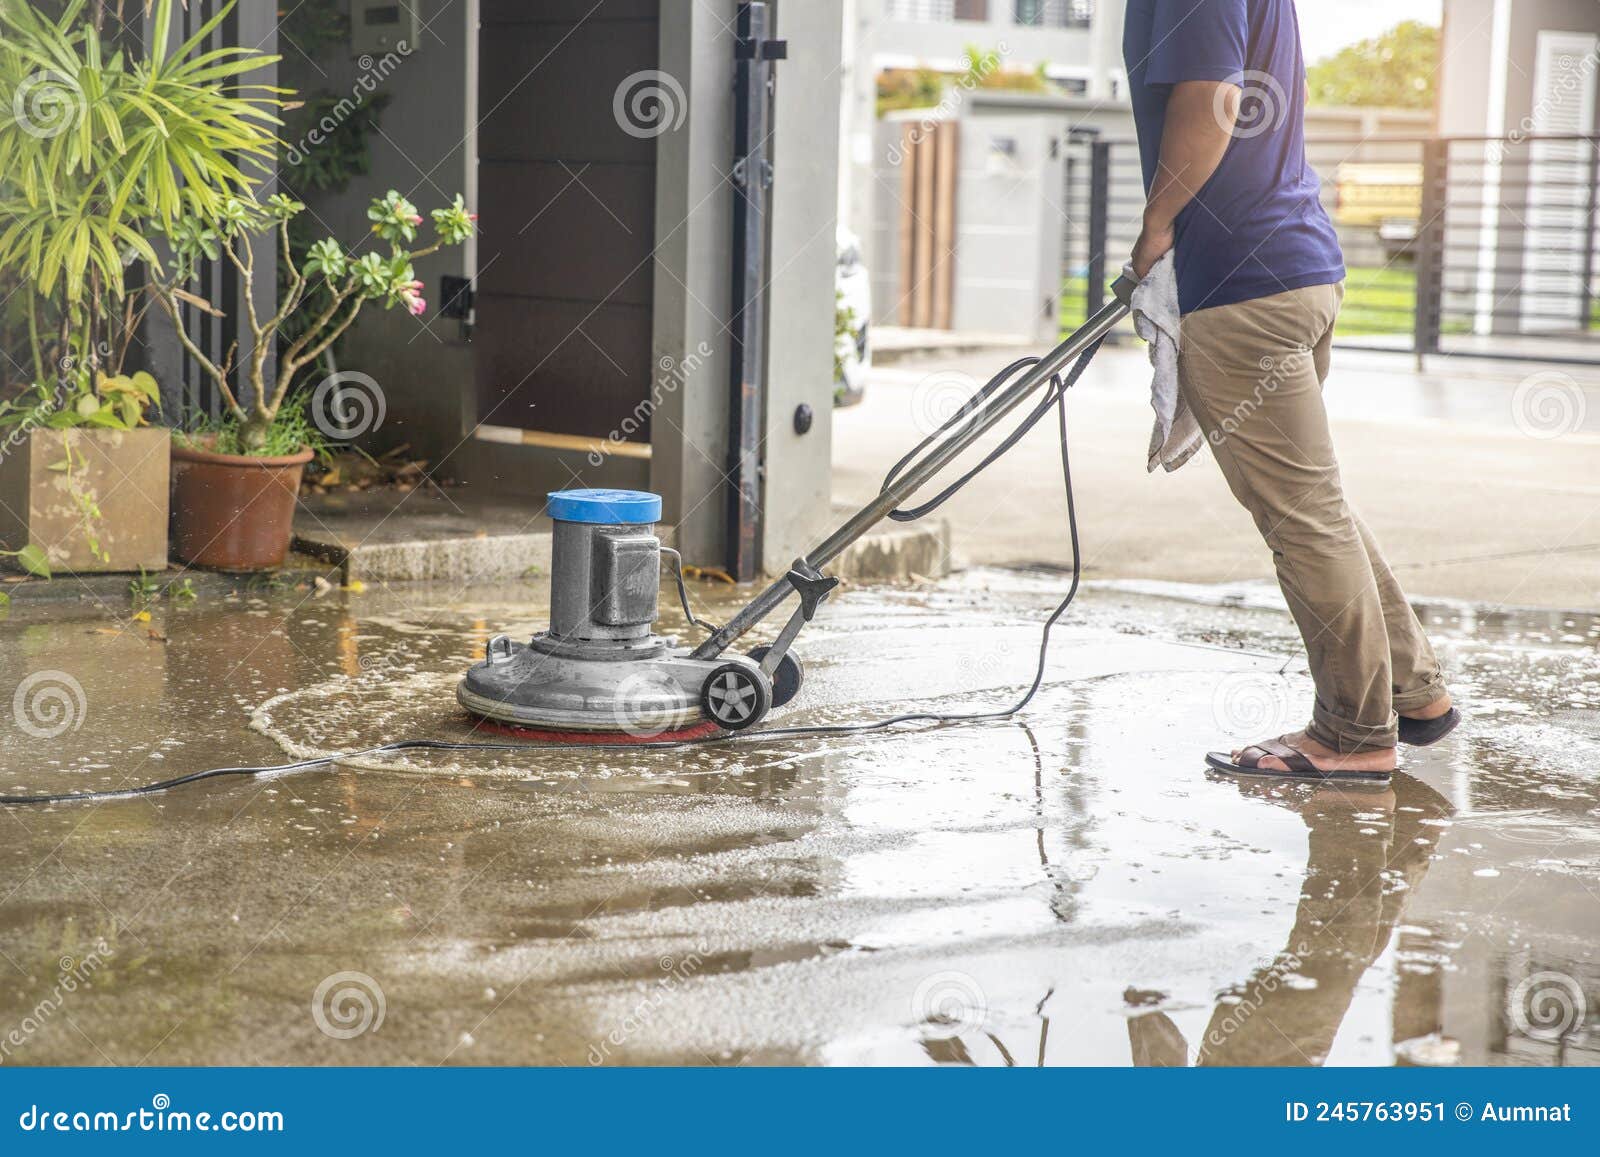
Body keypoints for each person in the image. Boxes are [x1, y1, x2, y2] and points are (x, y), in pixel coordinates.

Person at [1122, 0, 1458, 778]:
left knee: (1302, 518)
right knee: (1316, 503)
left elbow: (1212, 97)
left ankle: (1352, 735)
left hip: (1243, 283)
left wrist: (1156, 225)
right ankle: (1414, 693)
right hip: (1295, 263)